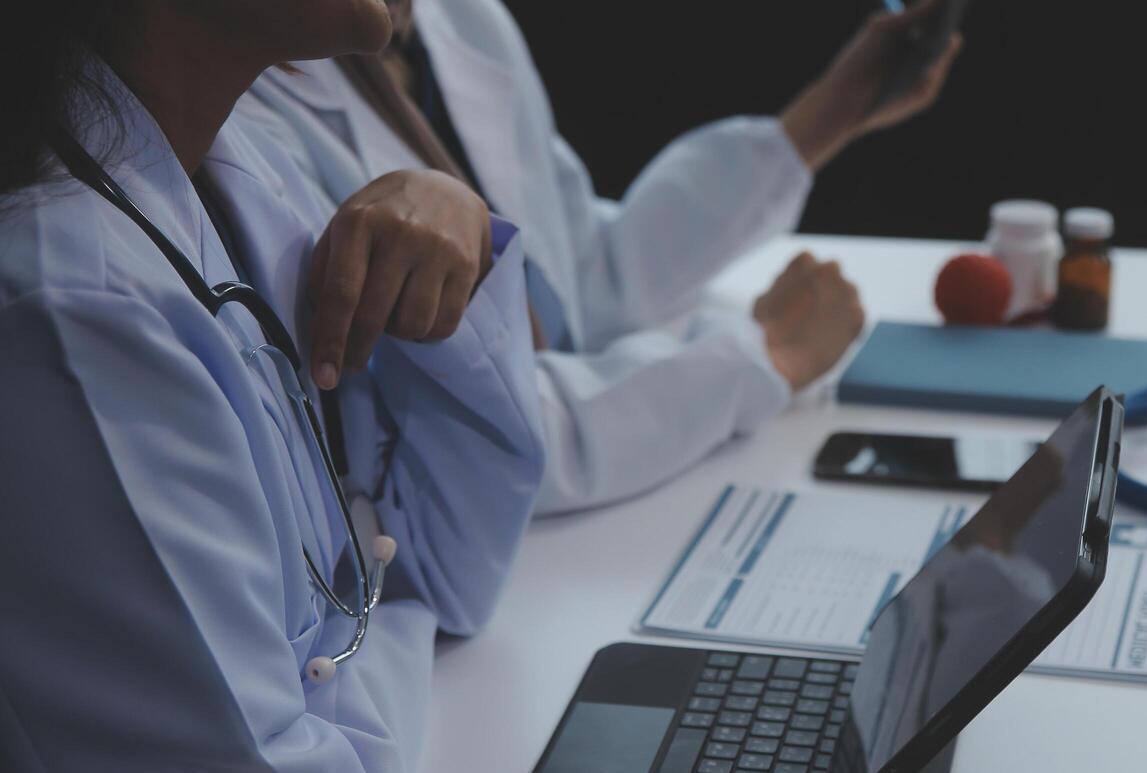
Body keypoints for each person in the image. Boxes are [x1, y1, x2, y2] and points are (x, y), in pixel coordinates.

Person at [0, 2, 544, 773]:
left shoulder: (232, 169)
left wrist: (454, 225)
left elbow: (446, 565)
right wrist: (389, 638)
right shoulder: (68, 300)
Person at [241, 0, 963, 514]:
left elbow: (583, 279)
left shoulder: (460, 20)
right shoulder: (244, 109)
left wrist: (830, 114)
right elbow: (478, 440)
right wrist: (758, 356)